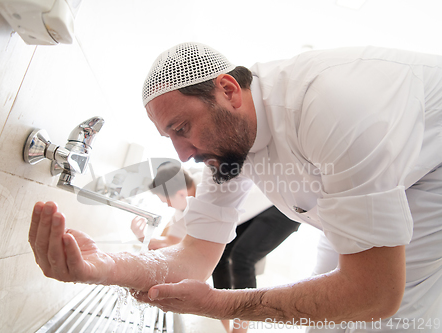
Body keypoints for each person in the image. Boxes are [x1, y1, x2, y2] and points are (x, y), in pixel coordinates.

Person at [29, 42, 442, 332]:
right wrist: (102, 268)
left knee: (383, 320)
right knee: (329, 319)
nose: (183, 154)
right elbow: (195, 255)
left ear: (227, 91)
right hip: (372, 183)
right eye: (170, 138)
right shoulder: (227, 148)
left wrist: (220, 304)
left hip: (430, 177)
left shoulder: (328, 106)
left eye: (183, 128)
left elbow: (376, 293)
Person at [131, 163, 300, 333]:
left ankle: (240, 330)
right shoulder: (185, 203)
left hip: (283, 205)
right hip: (255, 212)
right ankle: (224, 324)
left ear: (180, 194)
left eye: (167, 201)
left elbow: (172, 242)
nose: (168, 206)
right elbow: (171, 241)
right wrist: (144, 238)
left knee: (242, 259)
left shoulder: (212, 186)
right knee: (219, 257)